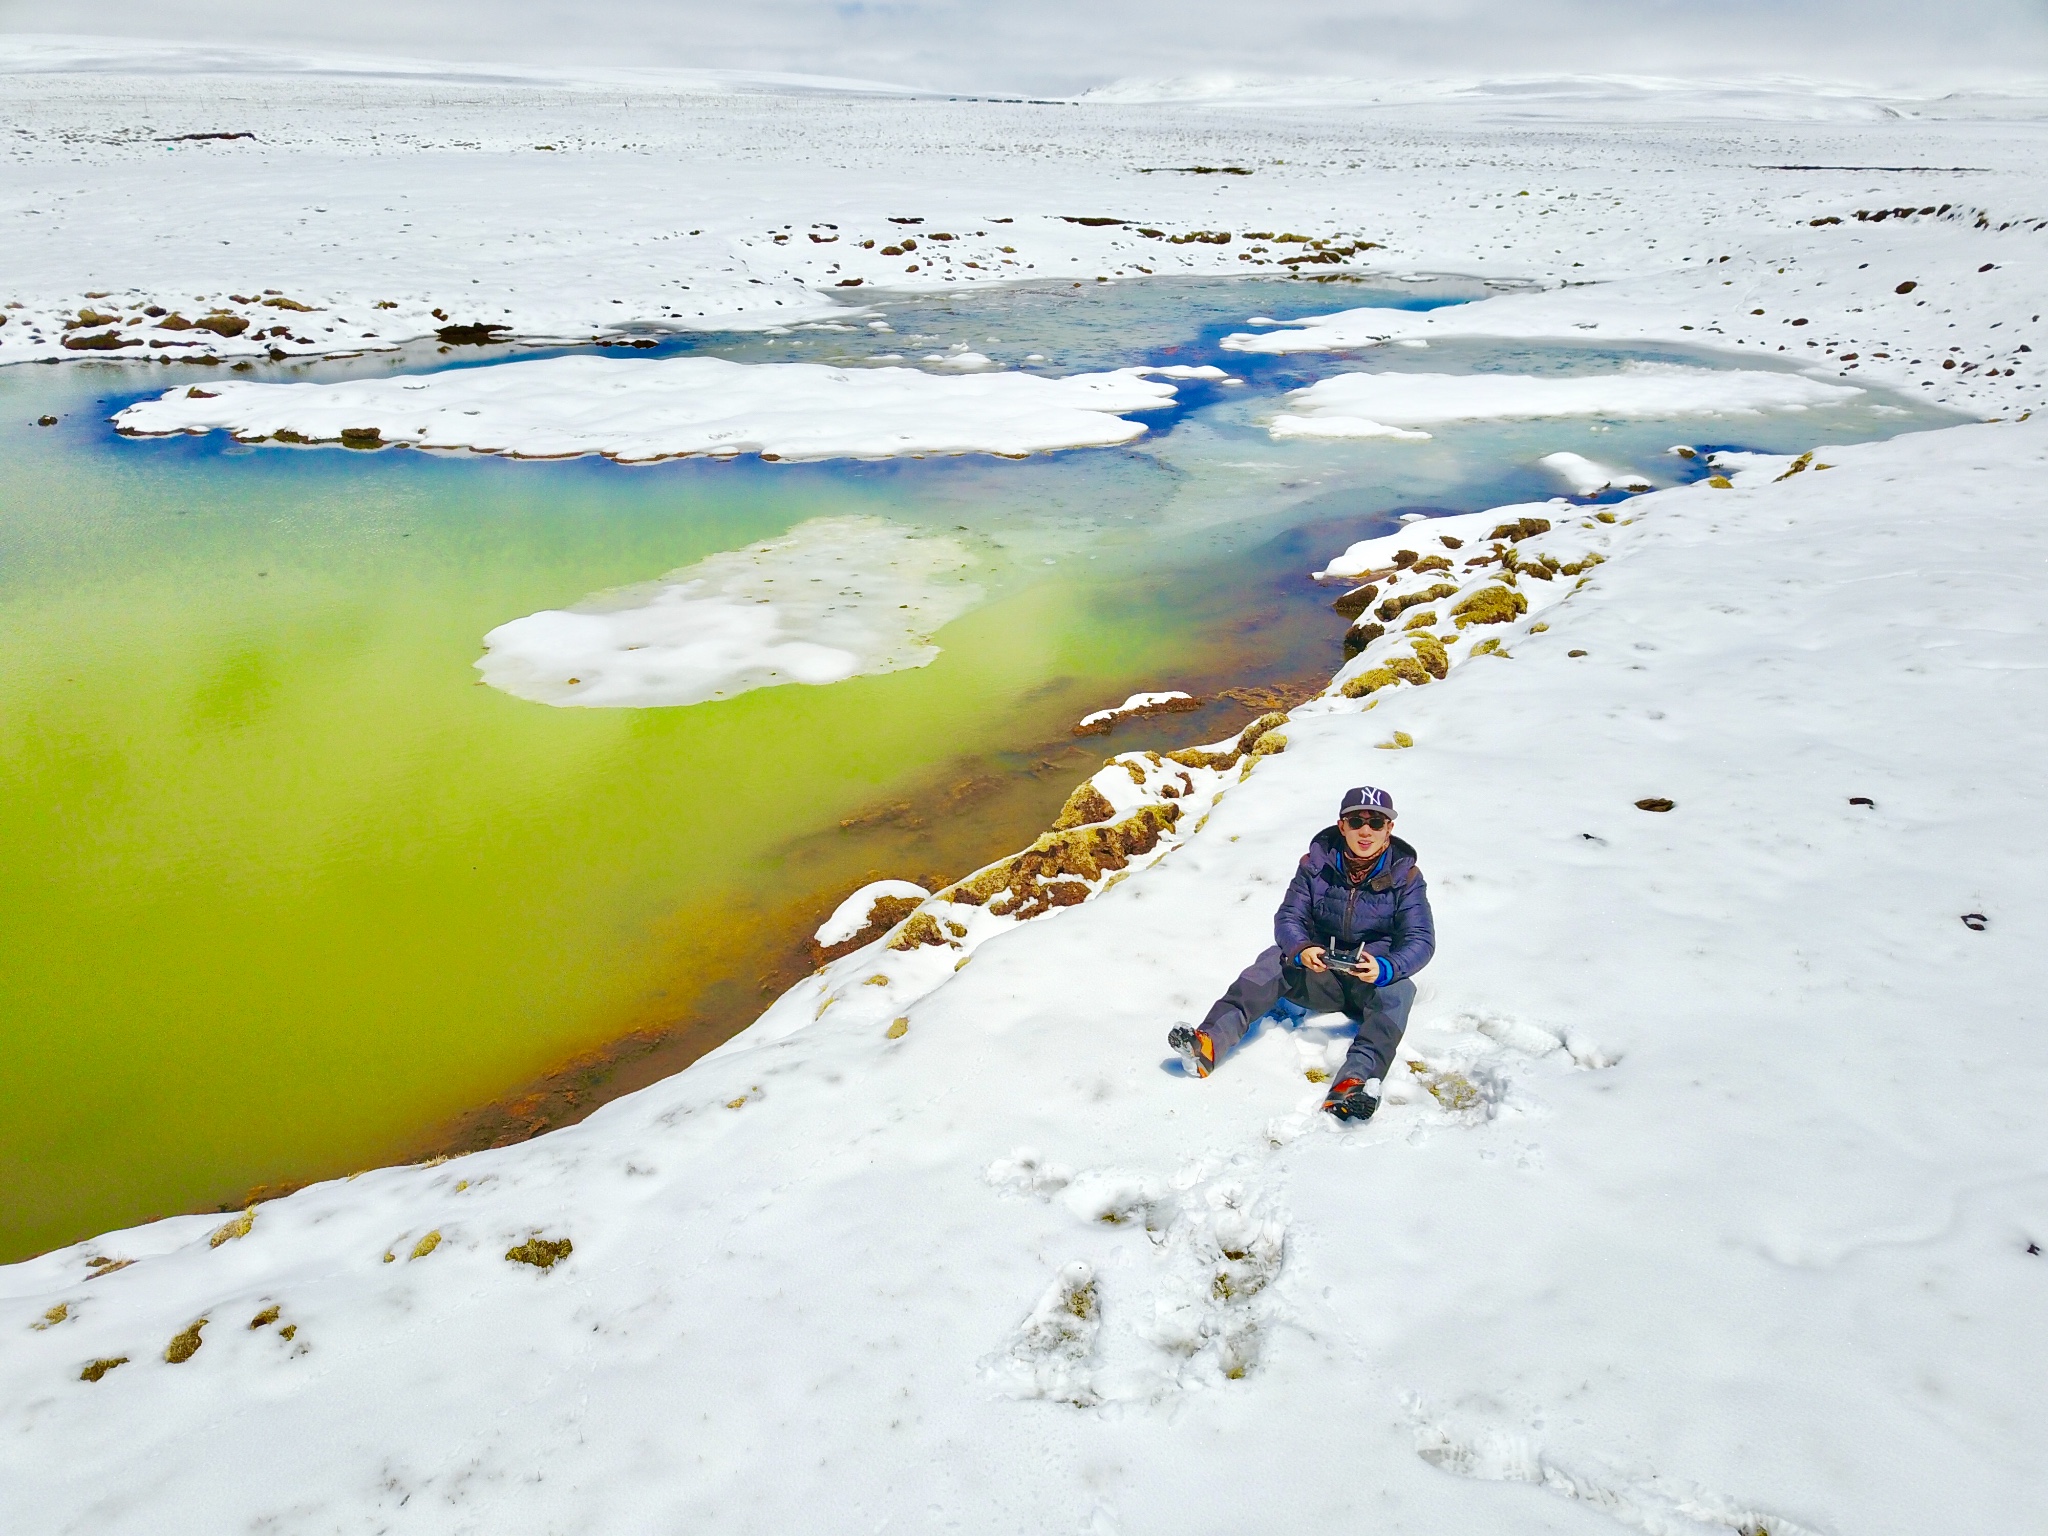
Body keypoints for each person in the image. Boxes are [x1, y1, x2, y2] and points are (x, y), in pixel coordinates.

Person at [1168, 786, 1435, 1120]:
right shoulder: (1316, 864)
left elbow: (1421, 939)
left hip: (1369, 982)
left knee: (1401, 989)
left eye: (1376, 822)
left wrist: (1385, 967)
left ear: (1389, 829)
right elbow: (1289, 917)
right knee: (1274, 958)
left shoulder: (1406, 875)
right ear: (1342, 826)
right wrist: (1301, 948)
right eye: (1356, 821)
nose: (1365, 830)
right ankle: (1208, 1043)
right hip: (1319, 976)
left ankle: (1354, 1084)